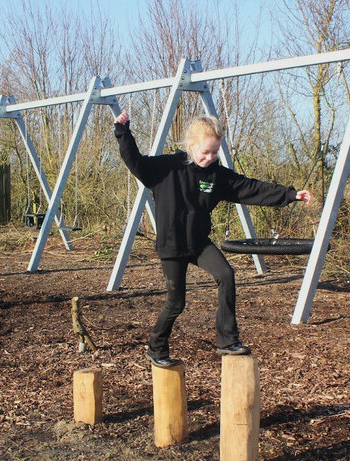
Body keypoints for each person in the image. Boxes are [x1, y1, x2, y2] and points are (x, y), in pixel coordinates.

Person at [114, 110, 311, 368]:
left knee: (227, 275)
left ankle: (227, 341)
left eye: (215, 152)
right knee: (176, 303)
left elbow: (251, 188)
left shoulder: (217, 176)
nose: (210, 158)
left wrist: (290, 195)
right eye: (205, 152)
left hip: (198, 243)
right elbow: (134, 161)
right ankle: (156, 346)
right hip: (172, 246)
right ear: (191, 146)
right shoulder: (166, 168)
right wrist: (123, 131)